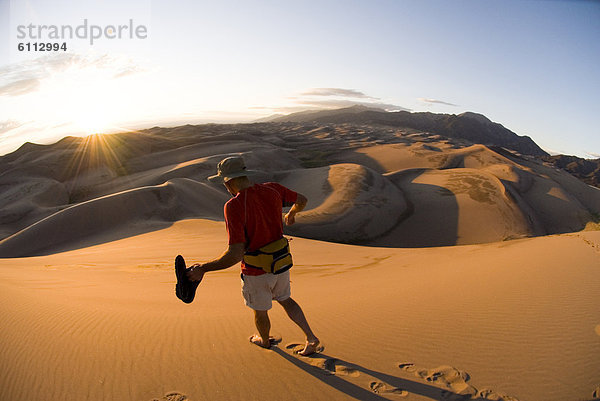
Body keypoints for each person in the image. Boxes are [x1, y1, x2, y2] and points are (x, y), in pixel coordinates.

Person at [186, 156, 320, 356]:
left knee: (260, 310)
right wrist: (291, 214)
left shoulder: (234, 206)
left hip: (256, 271)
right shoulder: (273, 189)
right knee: (286, 299)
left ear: (228, 182)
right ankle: (311, 337)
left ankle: (265, 341)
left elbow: (235, 253)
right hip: (280, 263)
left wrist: (203, 269)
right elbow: (302, 200)